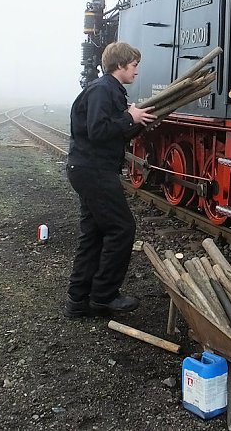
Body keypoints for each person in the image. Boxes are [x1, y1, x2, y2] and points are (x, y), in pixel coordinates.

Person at [64, 42, 157, 318]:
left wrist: (138, 122)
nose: (137, 71)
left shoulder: (110, 91)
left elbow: (114, 133)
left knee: (93, 233)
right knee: (122, 228)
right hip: (93, 170)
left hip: (89, 168)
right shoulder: (103, 91)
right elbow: (98, 131)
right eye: (134, 65)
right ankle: (104, 296)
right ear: (120, 65)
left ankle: (77, 301)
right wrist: (129, 116)